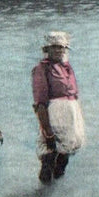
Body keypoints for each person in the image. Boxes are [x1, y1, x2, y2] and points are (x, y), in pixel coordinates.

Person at [31, 31, 86, 183]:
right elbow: (40, 103)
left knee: (65, 156)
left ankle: (57, 192)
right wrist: (47, 132)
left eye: (61, 48)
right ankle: (43, 193)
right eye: (54, 47)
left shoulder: (66, 67)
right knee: (50, 154)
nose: (58, 51)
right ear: (47, 50)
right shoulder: (42, 69)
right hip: (55, 115)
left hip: (71, 116)